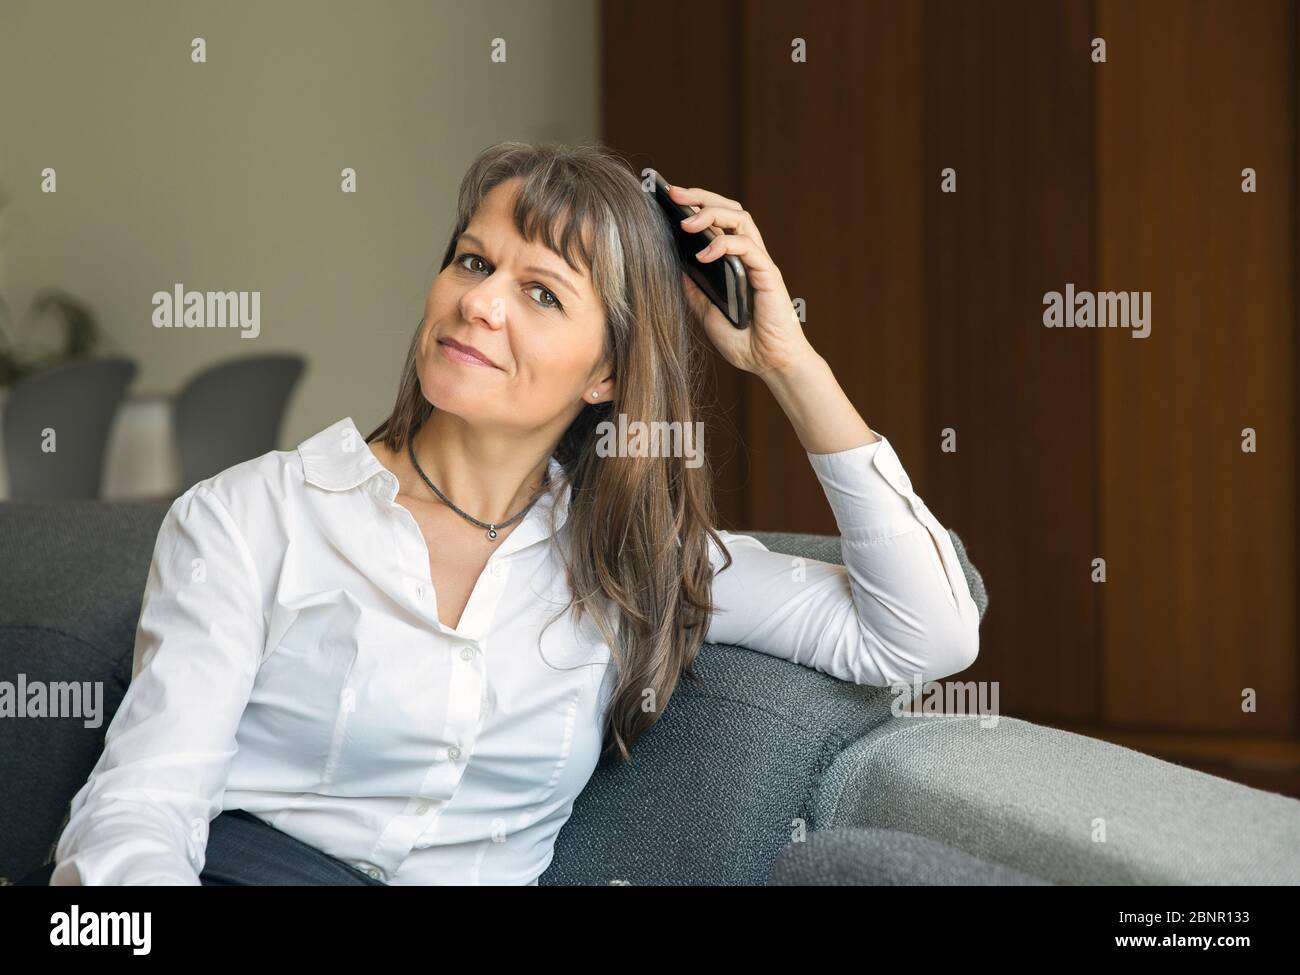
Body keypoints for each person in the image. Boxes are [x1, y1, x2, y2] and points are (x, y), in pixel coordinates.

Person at [36, 142, 980, 886]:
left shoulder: (632, 561)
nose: (480, 302)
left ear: (607, 373)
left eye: (540, 292)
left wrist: (788, 362)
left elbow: (926, 632)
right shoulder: (251, 516)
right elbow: (137, 814)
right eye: (472, 260)